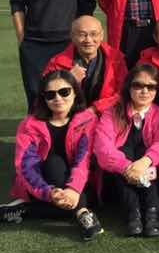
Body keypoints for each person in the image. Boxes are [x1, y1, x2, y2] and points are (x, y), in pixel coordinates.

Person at [1, 70, 103, 240]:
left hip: (80, 182)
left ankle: (25, 210)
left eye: (64, 92)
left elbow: (83, 160)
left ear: (75, 92)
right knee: (54, 163)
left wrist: (73, 189)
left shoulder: (88, 120)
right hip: (43, 185)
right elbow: (26, 167)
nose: (58, 98)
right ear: (43, 98)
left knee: (86, 192)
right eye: (50, 94)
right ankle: (82, 213)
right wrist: (49, 193)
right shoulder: (29, 125)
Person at [94, 64, 159, 237]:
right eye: (138, 85)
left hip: (150, 169)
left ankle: (152, 213)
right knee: (124, 150)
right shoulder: (112, 113)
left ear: (157, 90)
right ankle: (133, 212)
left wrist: (144, 163)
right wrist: (127, 168)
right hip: (119, 173)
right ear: (129, 87)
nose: (144, 91)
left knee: (148, 157)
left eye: (151, 86)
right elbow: (102, 148)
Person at [43, 16, 127, 115]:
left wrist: (95, 109)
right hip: (69, 115)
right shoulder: (57, 62)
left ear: (102, 35)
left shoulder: (116, 59)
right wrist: (69, 80)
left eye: (94, 34)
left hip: (107, 114)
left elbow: (123, 92)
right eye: (82, 35)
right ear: (72, 36)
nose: (88, 40)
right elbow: (46, 95)